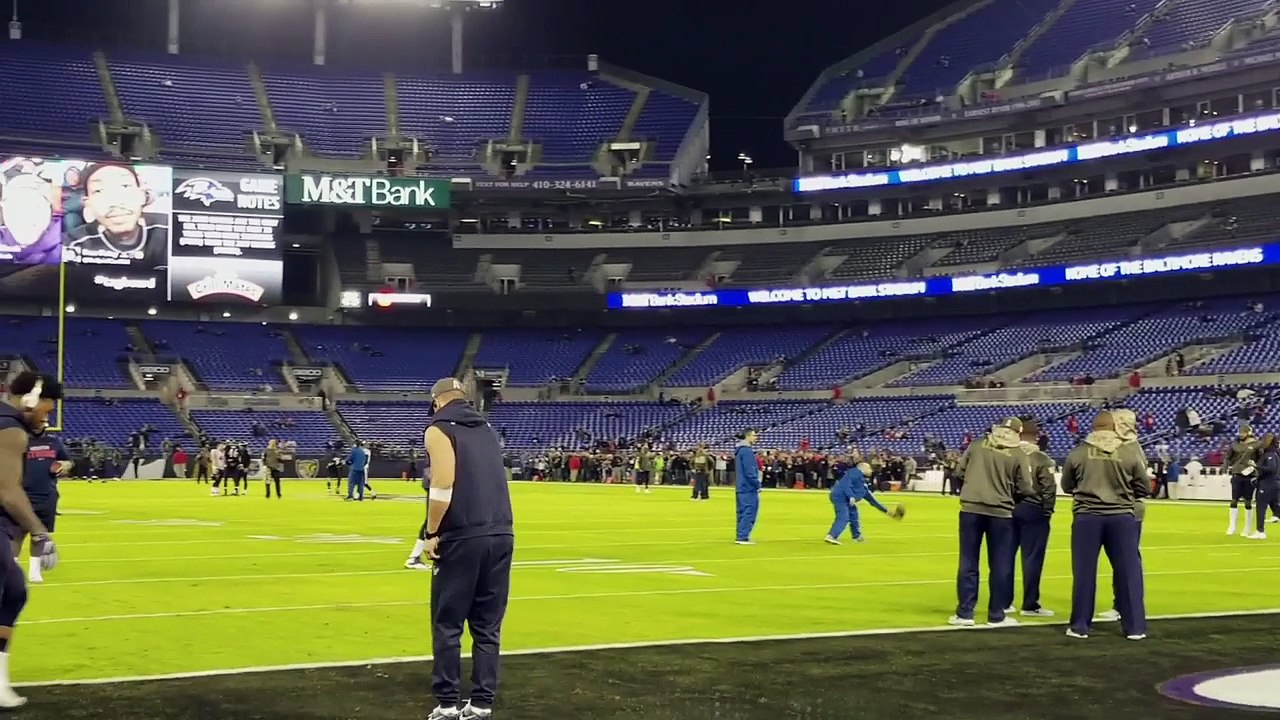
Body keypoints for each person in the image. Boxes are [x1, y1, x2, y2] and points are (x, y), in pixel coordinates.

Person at [423, 378, 513, 720]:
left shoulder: (439, 428)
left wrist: (432, 532)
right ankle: (481, 704)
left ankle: (447, 703)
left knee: (447, 623)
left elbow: (443, 485)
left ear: (437, 401)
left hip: (463, 535)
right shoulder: (487, 429)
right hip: (502, 532)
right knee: (487, 625)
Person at [0, 372, 62, 707]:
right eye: (48, 404)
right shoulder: (9, 429)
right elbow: (8, 491)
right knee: (11, 592)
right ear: (31, 398)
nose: (48, 412)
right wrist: (40, 533)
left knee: (12, 591)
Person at [1060, 411, 1149, 641]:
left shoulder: (1079, 452)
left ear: (1093, 427)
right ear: (1113, 427)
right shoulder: (1129, 453)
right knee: (1128, 572)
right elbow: (1144, 487)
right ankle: (1135, 627)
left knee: (1084, 573)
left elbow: (1067, 485)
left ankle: (1080, 625)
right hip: (1121, 516)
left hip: (1087, 517)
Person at [948, 417, 1032, 628]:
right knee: (1000, 564)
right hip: (1000, 512)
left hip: (970, 509)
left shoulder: (977, 445)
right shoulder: (1018, 453)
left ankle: (965, 613)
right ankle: (996, 614)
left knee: (968, 561)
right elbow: (1025, 487)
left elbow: (958, 471)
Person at [1097, 409, 1152, 623]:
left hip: (1127, 510)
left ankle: (1126, 606)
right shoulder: (1127, 446)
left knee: (1126, 561)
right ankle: (1121, 604)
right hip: (1123, 508)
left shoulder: (1129, 447)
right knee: (1122, 561)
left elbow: (1139, 483)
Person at [63, 163, 168, 269]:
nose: (115, 202)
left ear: (142, 195)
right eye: (99, 191)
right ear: (88, 204)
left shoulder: (170, 229)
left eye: (125, 186)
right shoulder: (72, 244)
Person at [1008, 418, 1057, 618]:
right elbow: (1048, 488)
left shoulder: (1006, 455)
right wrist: (1047, 510)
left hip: (1007, 509)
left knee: (1004, 558)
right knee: (1032, 559)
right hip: (1033, 510)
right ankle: (1029, 604)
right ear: (1035, 436)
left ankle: (1003, 602)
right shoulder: (1041, 458)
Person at [13, 417, 68, 585]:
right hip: (23, 494)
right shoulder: (18, 440)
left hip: (47, 494)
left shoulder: (54, 442)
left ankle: (34, 571)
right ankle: (11, 568)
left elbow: (67, 460)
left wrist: (65, 465)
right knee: (17, 534)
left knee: (40, 535)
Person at [824, 460, 895, 544]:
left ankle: (856, 536)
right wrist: (851, 496)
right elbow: (845, 484)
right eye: (869, 468)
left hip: (846, 498)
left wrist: (886, 511)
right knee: (844, 517)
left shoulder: (861, 483)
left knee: (854, 516)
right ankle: (831, 536)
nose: (870, 470)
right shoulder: (855, 473)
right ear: (863, 468)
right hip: (841, 497)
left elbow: (873, 501)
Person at [1226, 425, 1259, 536]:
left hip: (1250, 475)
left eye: (1243, 432)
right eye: (1240, 432)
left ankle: (1247, 527)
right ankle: (1232, 526)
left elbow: (1260, 459)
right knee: (1234, 500)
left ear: (1249, 432)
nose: (1241, 434)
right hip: (1237, 474)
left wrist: (1255, 468)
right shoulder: (1235, 444)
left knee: (1248, 502)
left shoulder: (1256, 445)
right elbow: (1228, 457)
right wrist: (1226, 466)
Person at [734, 430, 761, 545]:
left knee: (742, 511)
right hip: (748, 486)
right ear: (748, 436)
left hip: (741, 486)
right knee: (749, 511)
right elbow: (750, 471)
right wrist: (757, 484)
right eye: (754, 435)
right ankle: (743, 536)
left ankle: (741, 534)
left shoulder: (739, 451)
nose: (756, 437)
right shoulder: (747, 451)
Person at [1252, 433, 1279, 540]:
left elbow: (1271, 468)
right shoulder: (1273, 453)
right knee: (1275, 505)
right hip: (1273, 483)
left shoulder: (1270, 454)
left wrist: (1257, 467)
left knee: (1261, 507)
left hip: (1268, 483)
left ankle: (1260, 531)